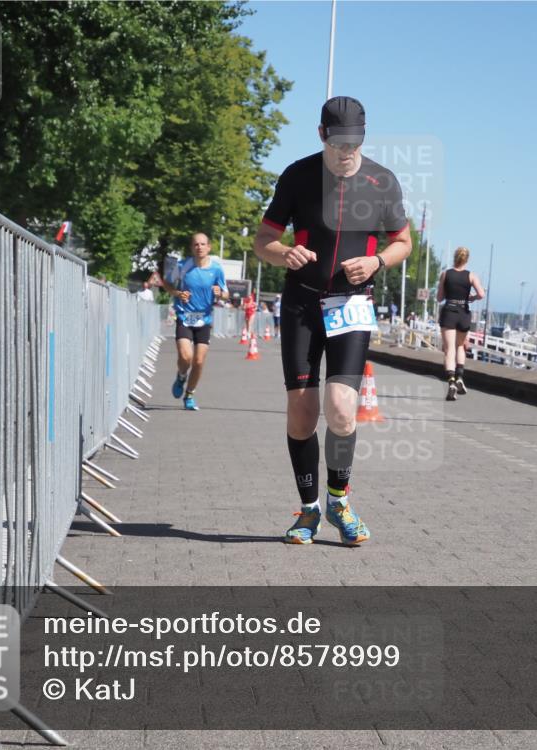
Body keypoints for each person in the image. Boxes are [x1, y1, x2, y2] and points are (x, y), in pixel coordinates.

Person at [253, 95, 411, 546]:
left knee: (342, 409)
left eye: (355, 144)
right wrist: (284, 252)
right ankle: (308, 512)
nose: (348, 153)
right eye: (340, 143)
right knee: (302, 415)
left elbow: (403, 242)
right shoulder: (298, 176)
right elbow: (263, 239)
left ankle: (339, 502)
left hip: (351, 305)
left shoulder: (382, 181)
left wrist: (378, 262)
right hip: (302, 303)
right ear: (322, 135)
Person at [161, 233, 228, 410]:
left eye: (203, 244)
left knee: (198, 361)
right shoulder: (183, 266)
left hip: (204, 319)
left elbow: (225, 292)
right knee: (185, 356)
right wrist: (177, 293)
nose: (199, 247)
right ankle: (181, 376)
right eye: (196, 244)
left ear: (209, 247)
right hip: (184, 316)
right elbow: (167, 283)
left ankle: (189, 394)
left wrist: (219, 293)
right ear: (192, 248)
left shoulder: (217, 269)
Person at [436, 246, 485, 401]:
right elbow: (481, 294)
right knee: (460, 346)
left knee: (449, 349)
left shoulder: (445, 274)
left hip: (449, 311)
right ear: (466, 259)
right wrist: (471, 298)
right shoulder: (471, 276)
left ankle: (451, 381)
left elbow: (439, 297)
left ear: (454, 258)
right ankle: (460, 377)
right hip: (463, 312)